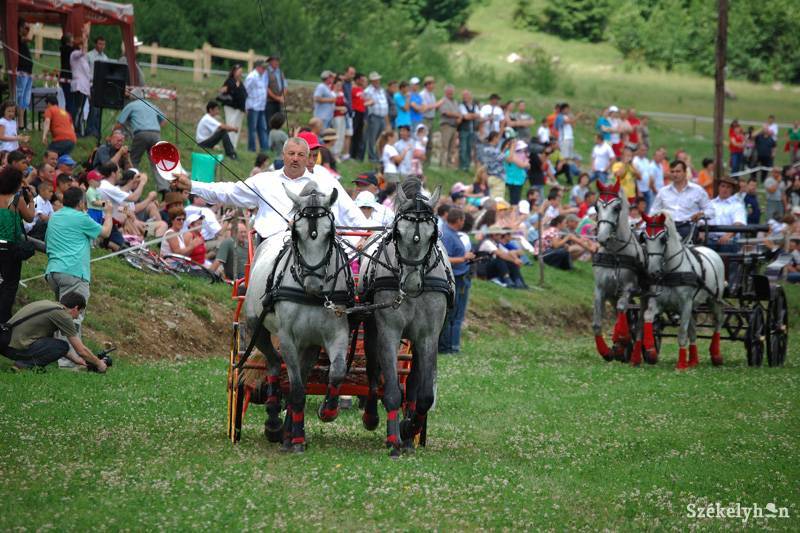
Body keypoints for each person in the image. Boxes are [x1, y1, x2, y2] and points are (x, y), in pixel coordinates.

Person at [174, 137, 367, 281]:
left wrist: (364, 236)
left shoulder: (325, 183)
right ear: (283, 156)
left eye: (301, 155)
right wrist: (192, 185)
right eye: (291, 154)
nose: (295, 159)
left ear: (309, 158)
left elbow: (352, 215)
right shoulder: (264, 180)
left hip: (314, 250)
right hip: (271, 247)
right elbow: (228, 192)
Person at [45, 187, 113, 362]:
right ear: (81, 202)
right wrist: (109, 213)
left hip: (54, 272)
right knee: (72, 318)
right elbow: (105, 233)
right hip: (74, 272)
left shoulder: (55, 216)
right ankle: (68, 361)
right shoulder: (81, 218)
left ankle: (56, 355)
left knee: (61, 315)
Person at [1, 293, 108, 372]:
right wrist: (99, 364)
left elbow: (49, 343)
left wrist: (76, 360)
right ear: (75, 308)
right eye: (79, 313)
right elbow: (81, 350)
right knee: (63, 346)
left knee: (58, 345)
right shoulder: (64, 316)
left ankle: (26, 365)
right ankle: (23, 366)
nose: (77, 317)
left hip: (4, 341)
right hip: (13, 348)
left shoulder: (49, 305)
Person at [0, 166, 35, 322]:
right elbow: (29, 218)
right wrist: (32, 201)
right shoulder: (16, 199)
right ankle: (3, 319)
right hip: (9, 246)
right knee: (10, 284)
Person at [438, 208, 474, 354]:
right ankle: (449, 347)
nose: (464, 222)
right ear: (458, 220)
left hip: (460, 275)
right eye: (463, 219)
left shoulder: (450, 233)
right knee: (454, 314)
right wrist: (464, 258)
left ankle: (451, 346)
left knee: (455, 314)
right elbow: (445, 258)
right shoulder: (447, 235)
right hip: (456, 278)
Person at [114, 91, 166, 192]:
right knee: (156, 163)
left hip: (140, 134)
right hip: (156, 133)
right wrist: (153, 127)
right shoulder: (151, 105)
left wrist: (111, 135)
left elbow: (120, 123)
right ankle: (163, 187)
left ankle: (131, 183)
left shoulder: (131, 105)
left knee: (133, 160)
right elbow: (164, 120)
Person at [650, 160, 714, 239]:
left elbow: (711, 211)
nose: (675, 174)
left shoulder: (698, 190)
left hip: (688, 226)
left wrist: (701, 215)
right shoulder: (663, 191)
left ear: (685, 172)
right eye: (672, 172)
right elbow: (653, 211)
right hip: (667, 227)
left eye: (678, 171)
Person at [219, 64, 247, 149]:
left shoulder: (241, 83)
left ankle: (234, 145)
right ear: (234, 72)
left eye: (241, 72)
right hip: (231, 107)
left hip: (240, 108)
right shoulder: (229, 81)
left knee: (237, 126)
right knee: (231, 124)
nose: (240, 73)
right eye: (239, 71)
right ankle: (229, 144)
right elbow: (222, 91)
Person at [69, 32, 91, 137]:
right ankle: (75, 129)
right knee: (77, 109)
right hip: (78, 86)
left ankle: (78, 129)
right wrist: (85, 39)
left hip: (85, 87)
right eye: (82, 45)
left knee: (81, 109)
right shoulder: (74, 55)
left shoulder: (84, 58)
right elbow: (82, 52)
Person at [85, 36, 108, 137]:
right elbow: (86, 72)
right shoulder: (89, 56)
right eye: (100, 44)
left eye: (103, 44)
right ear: (95, 44)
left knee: (99, 111)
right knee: (93, 110)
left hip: (101, 87)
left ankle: (97, 132)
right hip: (91, 85)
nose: (101, 46)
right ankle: (90, 131)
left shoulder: (105, 58)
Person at [364, 72, 390, 163]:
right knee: (372, 137)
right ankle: (371, 157)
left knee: (381, 137)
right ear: (372, 81)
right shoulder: (368, 91)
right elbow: (365, 103)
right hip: (374, 116)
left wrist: (387, 121)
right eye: (375, 80)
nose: (377, 81)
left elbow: (385, 104)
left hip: (382, 116)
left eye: (378, 79)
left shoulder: (381, 90)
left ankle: (379, 156)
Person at [245, 60, 268, 152]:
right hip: (253, 106)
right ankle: (251, 149)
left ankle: (265, 148)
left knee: (262, 128)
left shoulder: (262, 76)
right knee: (252, 129)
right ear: (257, 67)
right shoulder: (251, 77)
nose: (264, 69)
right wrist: (246, 106)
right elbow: (246, 91)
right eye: (263, 68)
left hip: (261, 107)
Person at [15, 19, 34, 129]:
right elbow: (30, 37)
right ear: (20, 28)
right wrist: (31, 28)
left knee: (25, 99)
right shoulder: (18, 37)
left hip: (29, 72)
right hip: (22, 71)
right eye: (26, 28)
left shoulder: (22, 39)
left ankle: (21, 123)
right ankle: (20, 123)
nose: (27, 30)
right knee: (20, 96)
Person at [265, 55, 287, 140]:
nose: (276, 63)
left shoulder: (280, 72)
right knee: (270, 122)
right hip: (270, 101)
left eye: (277, 61)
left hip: (279, 101)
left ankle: (277, 140)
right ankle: (269, 141)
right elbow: (266, 88)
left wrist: (282, 96)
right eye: (275, 61)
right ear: (270, 62)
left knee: (278, 121)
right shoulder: (266, 72)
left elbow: (285, 86)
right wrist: (277, 98)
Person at [438, 85, 461, 168]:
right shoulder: (443, 100)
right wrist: (457, 115)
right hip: (446, 125)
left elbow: (459, 112)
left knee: (452, 147)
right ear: (446, 92)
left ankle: (448, 164)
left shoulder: (455, 101)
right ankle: (442, 164)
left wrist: (459, 117)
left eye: (452, 91)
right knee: (445, 145)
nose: (451, 93)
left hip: (454, 126)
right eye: (449, 91)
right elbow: (445, 112)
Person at [458, 90, 480, 172]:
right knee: (463, 148)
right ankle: (462, 166)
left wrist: (470, 116)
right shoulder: (461, 105)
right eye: (464, 96)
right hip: (464, 130)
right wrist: (473, 115)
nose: (465, 97)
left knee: (469, 148)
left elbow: (478, 115)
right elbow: (465, 117)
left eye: (466, 95)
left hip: (472, 130)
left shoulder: (474, 105)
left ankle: (466, 166)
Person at [349, 72, 368, 161]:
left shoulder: (361, 89)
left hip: (362, 113)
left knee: (359, 134)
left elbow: (364, 100)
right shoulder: (353, 89)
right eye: (361, 80)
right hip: (355, 112)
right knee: (354, 133)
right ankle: (351, 153)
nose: (363, 81)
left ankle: (357, 155)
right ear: (357, 80)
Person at [419, 76, 440, 158]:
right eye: (432, 84)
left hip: (431, 119)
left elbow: (433, 107)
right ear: (427, 85)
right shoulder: (422, 94)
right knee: (424, 140)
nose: (433, 86)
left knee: (429, 142)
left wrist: (437, 107)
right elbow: (425, 108)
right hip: (425, 119)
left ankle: (427, 161)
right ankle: (422, 160)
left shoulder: (432, 95)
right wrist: (437, 104)